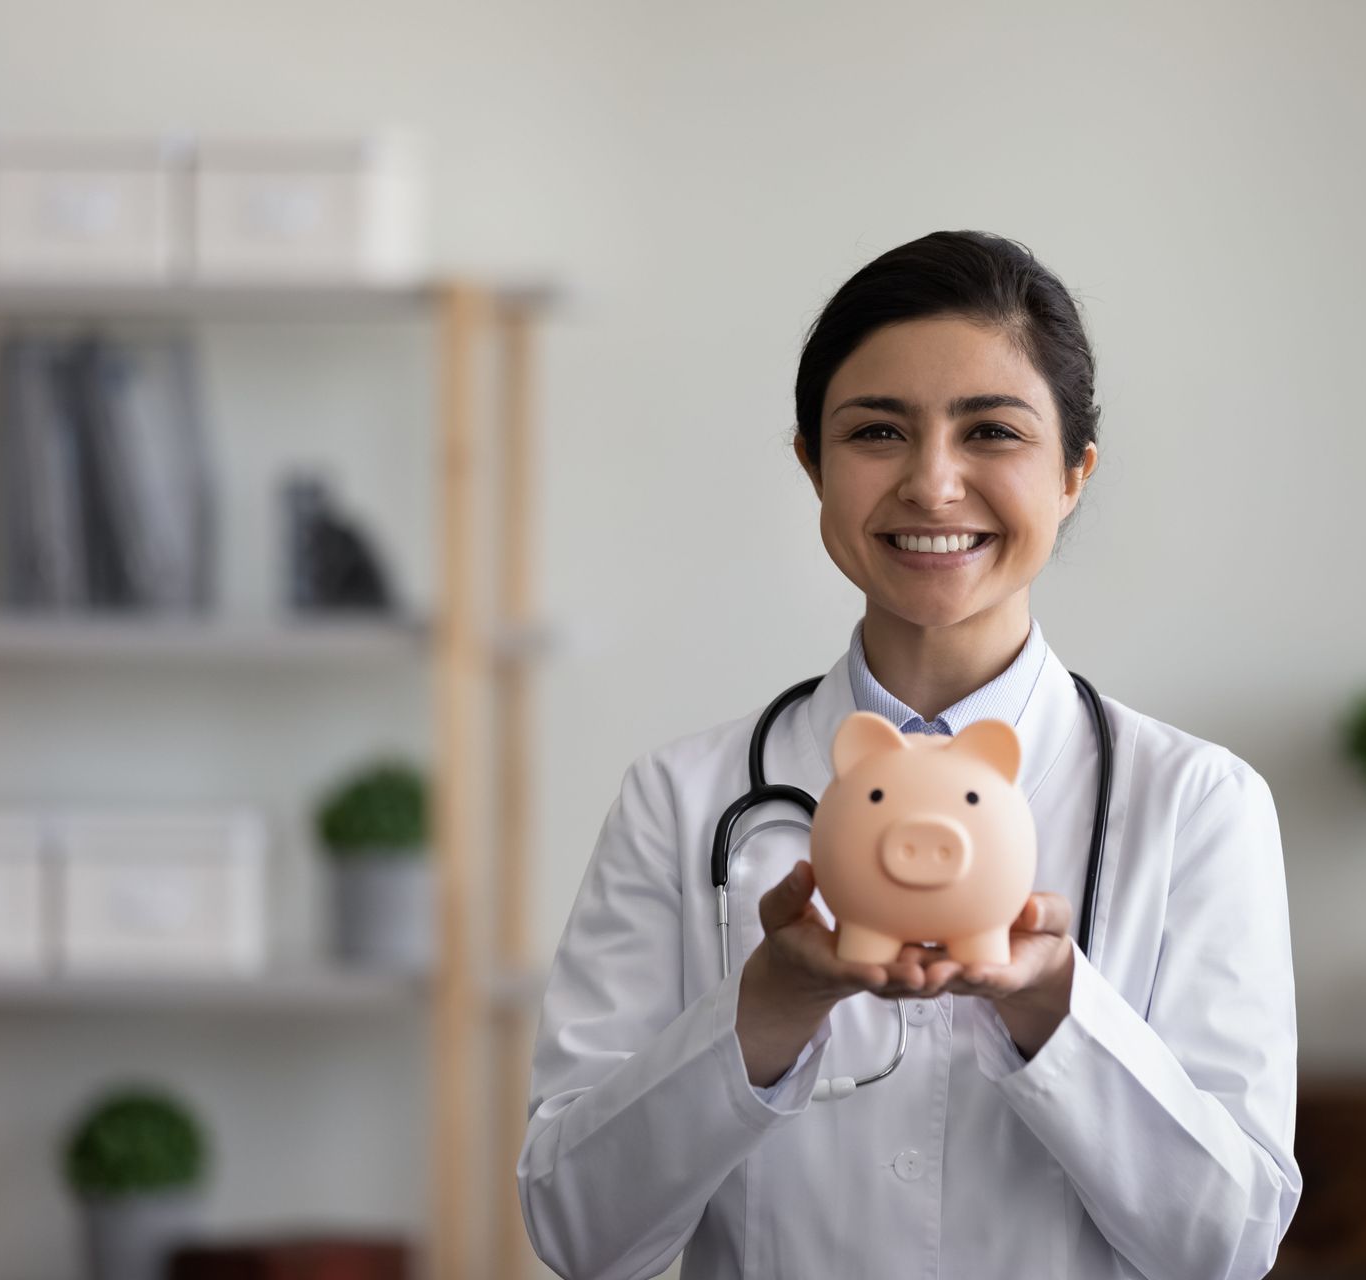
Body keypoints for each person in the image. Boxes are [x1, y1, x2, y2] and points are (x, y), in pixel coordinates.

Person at [517, 230, 1301, 1279]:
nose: (934, 485)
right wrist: (769, 1009)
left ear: (1074, 473)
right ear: (813, 464)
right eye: (878, 430)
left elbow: (1227, 1245)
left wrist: (1050, 1008)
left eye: (992, 432)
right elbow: (580, 1236)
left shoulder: (1199, 804)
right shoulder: (682, 800)